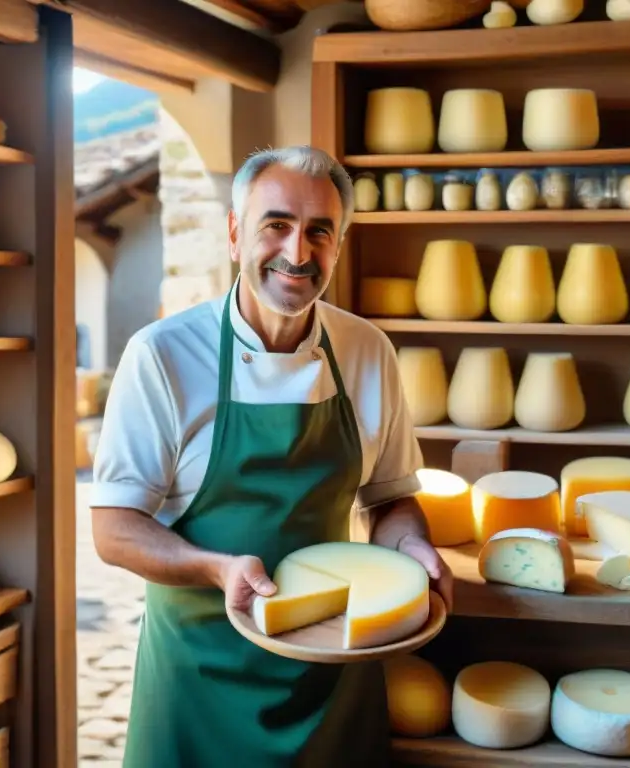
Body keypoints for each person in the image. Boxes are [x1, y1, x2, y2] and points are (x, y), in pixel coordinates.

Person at [88, 145, 453, 767]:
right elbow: (114, 530)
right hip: (201, 671)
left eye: (320, 232)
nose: (297, 252)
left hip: (333, 665)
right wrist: (216, 569)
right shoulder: (163, 356)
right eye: (276, 225)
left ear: (338, 246)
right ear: (234, 235)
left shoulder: (367, 350)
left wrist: (410, 546)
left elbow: (391, 497)